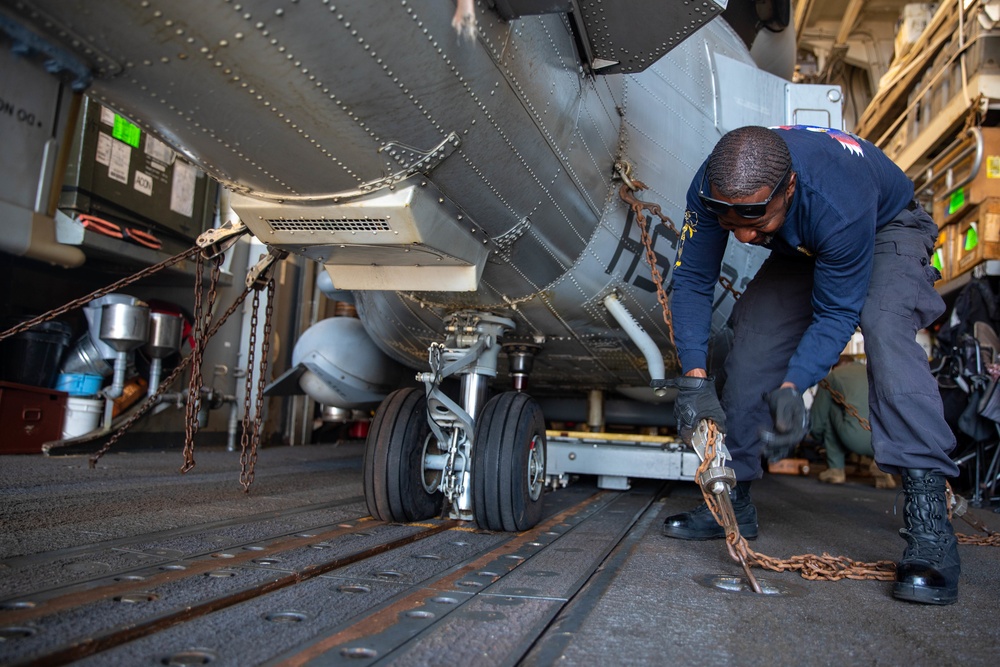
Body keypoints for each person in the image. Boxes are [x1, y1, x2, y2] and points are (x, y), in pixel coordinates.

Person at [662, 125, 961, 606]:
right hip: (801, 242)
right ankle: (734, 497)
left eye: (754, 217)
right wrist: (693, 378)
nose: (740, 233)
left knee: (884, 328)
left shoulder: (838, 200)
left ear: (790, 188)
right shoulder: (711, 187)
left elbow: (838, 312)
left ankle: (930, 528)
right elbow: (694, 279)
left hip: (884, 227)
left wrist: (794, 387)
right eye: (727, 217)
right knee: (754, 342)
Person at [810, 355, 895, 488]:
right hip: (887, 441)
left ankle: (835, 470)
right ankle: (881, 464)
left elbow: (817, 420)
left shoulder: (834, 376)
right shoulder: (874, 372)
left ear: (837, 366)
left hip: (855, 438)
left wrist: (817, 439)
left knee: (831, 407)